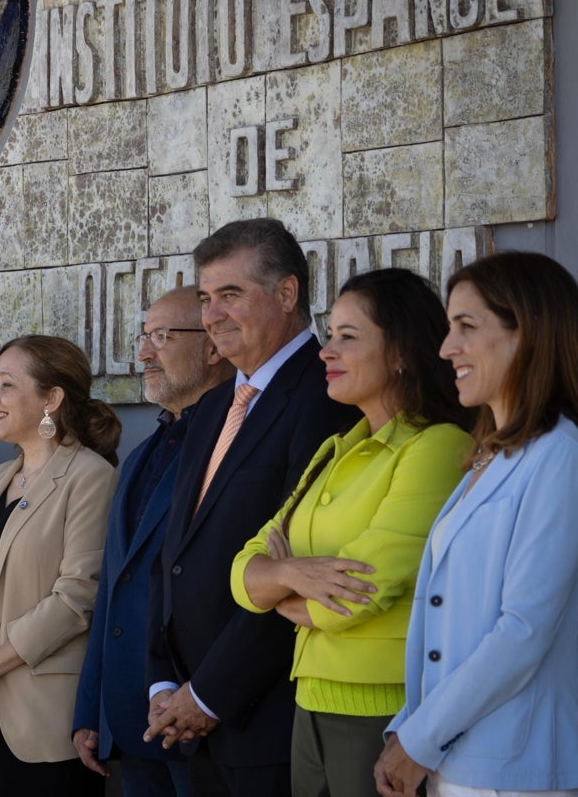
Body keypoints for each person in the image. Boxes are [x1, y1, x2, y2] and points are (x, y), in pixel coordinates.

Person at [229, 268, 473, 797]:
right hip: (308, 704)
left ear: (402, 352)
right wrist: (294, 574)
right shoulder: (333, 451)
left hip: (384, 713)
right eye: (328, 333)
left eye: (348, 336)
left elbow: (359, 589)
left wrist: (281, 593)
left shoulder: (435, 446)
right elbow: (242, 570)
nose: (325, 350)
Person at [144, 218, 359, 797]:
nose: (212, 315)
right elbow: (177, 557)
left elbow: (298, 571)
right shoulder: (215, 406)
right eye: (207, 298)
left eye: (231, 296)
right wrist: (163, 680)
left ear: (286, 294)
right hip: (188, 720)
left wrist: (210, 694)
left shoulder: (326, 397)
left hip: (265, 725)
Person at [374, 252, 578, 797]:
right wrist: (408, 730)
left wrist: (418, 739)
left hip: (514, 769)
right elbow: (449, 621)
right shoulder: (488, 456)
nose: (446, 349)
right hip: (457, 760)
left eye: (467, 326)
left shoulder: (561, 456)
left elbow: (522, 631)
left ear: (528, 334)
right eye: (448, 328)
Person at [72, 287, 232, 796]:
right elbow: (112, 589)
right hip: (131, 720)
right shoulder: (140, 455)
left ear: (213, 347)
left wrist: (199, 697)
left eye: (161, 336)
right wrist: (90, 709)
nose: (144, 352)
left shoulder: (234, 448)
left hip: (200, 722)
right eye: (145, 337)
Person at [0, 335, 121, 796]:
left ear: (52, 398)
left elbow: (78, 597)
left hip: (43, 723)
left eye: (6, 384)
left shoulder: (90, 476)